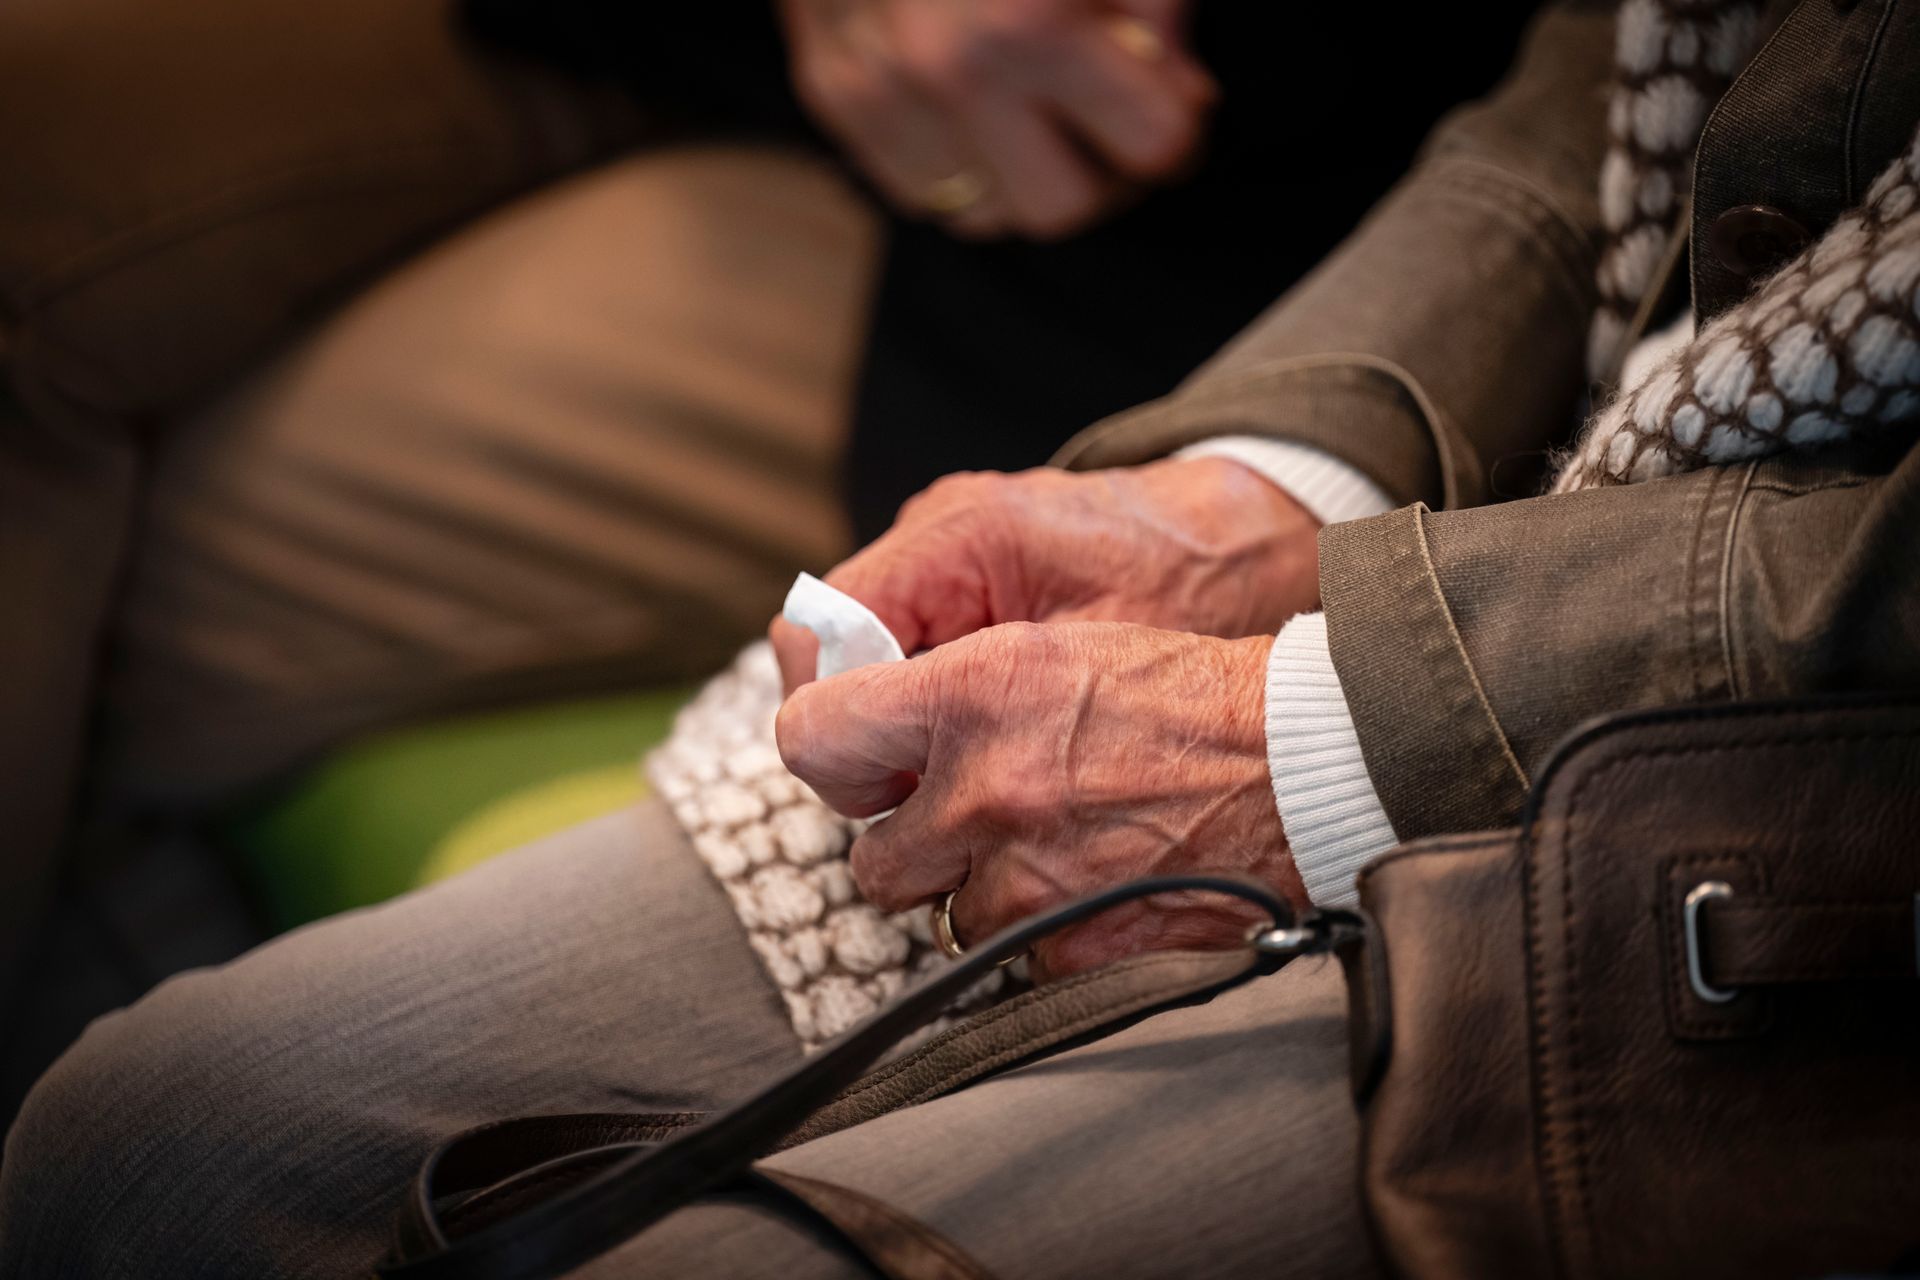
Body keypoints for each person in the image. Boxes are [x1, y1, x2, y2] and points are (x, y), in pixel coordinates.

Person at [5, 0, 1920, 1276]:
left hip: (1770, 840)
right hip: (1489, 482)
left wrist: (1337, 719)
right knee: (149, 1140)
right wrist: (1248, 485)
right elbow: (1592, 98)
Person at [0, 0, 1529, 1112]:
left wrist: (1277, 488)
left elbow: (1584, 138)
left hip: (1157, 230)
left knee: (183, 598)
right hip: (714, 54)